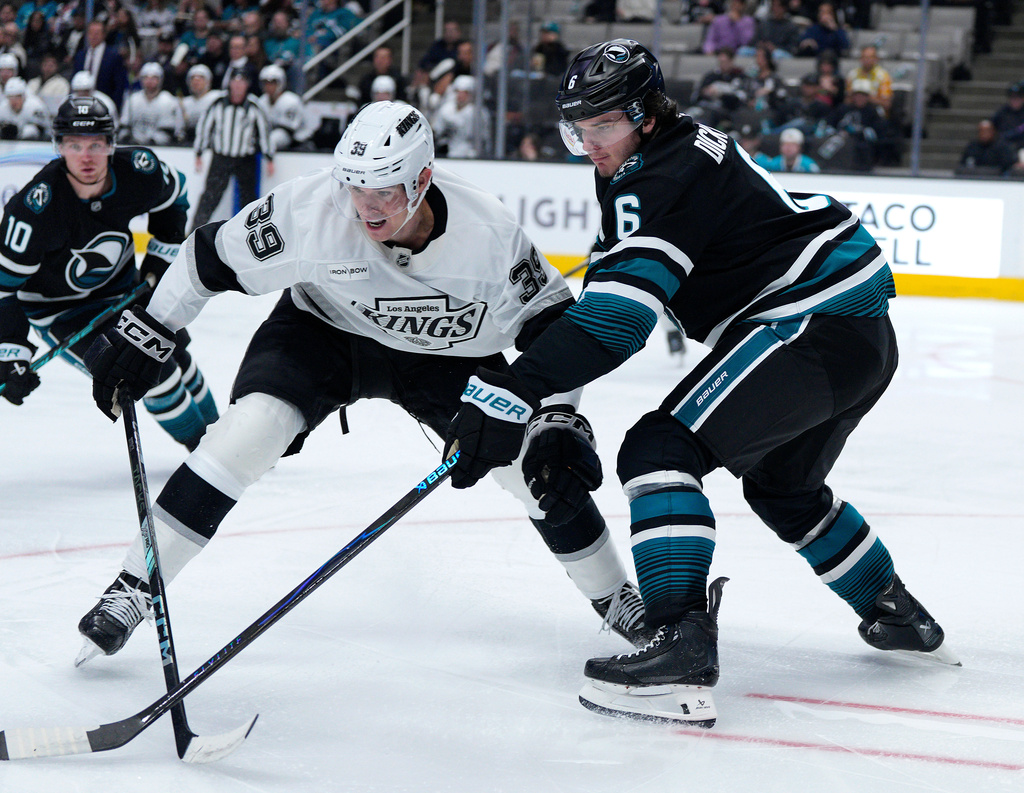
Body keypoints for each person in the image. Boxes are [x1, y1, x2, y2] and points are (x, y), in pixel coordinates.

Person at [444, 39, 958, 727]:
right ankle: (893, 610)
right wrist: (553, 395)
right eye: (578, 130)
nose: (590, 145)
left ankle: (679, 640)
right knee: (784, 487)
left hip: (810, 322)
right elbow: (616, 275)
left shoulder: (660, 173)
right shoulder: (664, 151)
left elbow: (620, 322)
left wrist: (514, 387)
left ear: (645, 114)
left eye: (602, 127)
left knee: (658, 451)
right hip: (854, 334)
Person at [77, 101, 653, 667]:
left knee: (534, 467)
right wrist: (151, 329)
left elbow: (554, 331)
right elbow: (208, 256)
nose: (365, 209)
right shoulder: (310, 208)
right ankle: (134, 588)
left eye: (384, 191)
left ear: (423, 179)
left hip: (441, 353)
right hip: (324, 334)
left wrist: (556, 419)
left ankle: (617, 598)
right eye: (355, 188)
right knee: (248, 431)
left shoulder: (490, 234)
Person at [0, 96, 218, 452]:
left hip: (124, 291)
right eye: (74, 145)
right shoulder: (34, 209)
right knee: (149, 371)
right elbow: (3, 287)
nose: (86, 156)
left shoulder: (139, 170)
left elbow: (174, 200)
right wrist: (10, 351)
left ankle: (223, 436)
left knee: (175, 353)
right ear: (58, 147)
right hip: (62, 312)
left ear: (112, 144)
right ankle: (207, 452)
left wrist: (157, 265)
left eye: (96, 145)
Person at [191, 68, 273, 232]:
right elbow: (205, 127)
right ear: (229, 83)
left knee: (248, 199)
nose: (237, 86)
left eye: (241, 82)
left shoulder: (254, 105)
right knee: (210, 196)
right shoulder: (218, 103)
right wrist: (199, 152)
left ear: (247, 85)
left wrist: (269, 157)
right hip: (221, 156)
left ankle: (247, 233)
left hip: (245, 158)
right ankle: (194, 232)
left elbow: (264, 131)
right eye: (234, 82)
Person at [119, 60, 183, 145]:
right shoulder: (132, 99)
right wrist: (127, 139)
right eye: (146, 77)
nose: (149, 81)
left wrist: (153, 142)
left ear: (160, 80)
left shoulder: (169, 101)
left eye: (154, 78)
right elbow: (124, 126)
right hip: (134, 145)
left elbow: (169, 132)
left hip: (161, 148)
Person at [73, 19, 129, 109]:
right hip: (82, 105)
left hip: (105, 104)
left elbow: (119, 86)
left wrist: (114, 107)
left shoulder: (113, 56)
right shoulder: (80, 56)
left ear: (104, 35)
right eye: (91, 33)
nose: (94, 36)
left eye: (97, 33)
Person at [257, 63, 315, 150]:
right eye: (266, 83)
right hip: (270, 137)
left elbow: (288, 130)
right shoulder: (261, 101)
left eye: (272, 83)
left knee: (274, 138)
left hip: (297, 141)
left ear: (280, 83)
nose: (269, 87)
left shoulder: (291, 101)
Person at [432, 74, 490, 159]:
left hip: (469, 155)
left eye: (465, 92)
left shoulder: (478, 113)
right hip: (446, 154)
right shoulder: (446, 109)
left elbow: (483, 138)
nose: (460, 95)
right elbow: (437, 131)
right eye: (458, 91)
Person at [844, 44, 892, 117]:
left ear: (876, 59)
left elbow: (886, 104)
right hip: (854, 110)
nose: (867, 60)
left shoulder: (883, 76)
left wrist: (866, 98)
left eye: (870, 57)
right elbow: (847, 100)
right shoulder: (852, 74)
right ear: (860, 59)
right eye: (864, 57)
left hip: (874, 112)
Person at [181, 63, 222, 142]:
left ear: (208, 81)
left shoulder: (216, 98)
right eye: (193, 79)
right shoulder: (185, 103)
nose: (196, 82)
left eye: (201, 79)